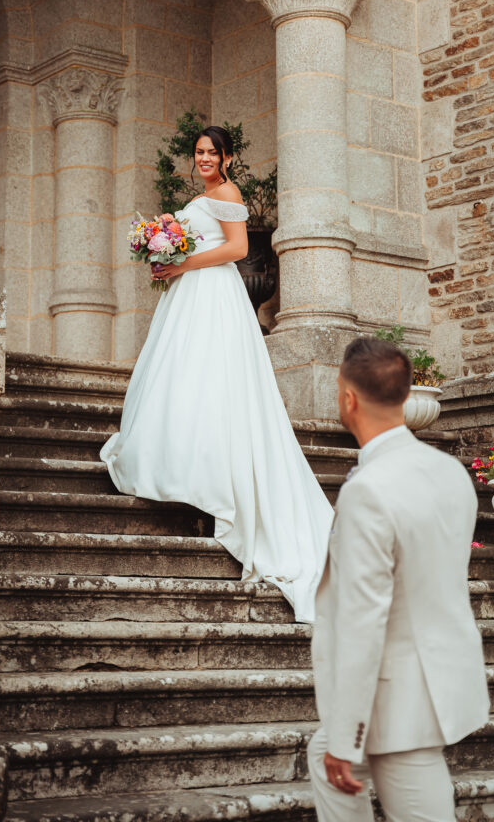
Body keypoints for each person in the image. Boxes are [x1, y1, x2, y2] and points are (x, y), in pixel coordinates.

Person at [100, 125, 333, 623]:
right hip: (190, 296)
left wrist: (181, 265)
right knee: (183, 381)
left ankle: (217, 487)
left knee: (214, 381)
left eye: (212, 152)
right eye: (199, 152)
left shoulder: (227, 192)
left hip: (215, 295)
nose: (205, 158)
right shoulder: (198, 196)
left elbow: (234, 250)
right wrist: (165, 255)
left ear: (227, 157)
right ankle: (186, 466)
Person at [308, 337, 489, 822]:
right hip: (438, 675)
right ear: (406, 395)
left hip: (400, 697)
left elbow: (364, 618)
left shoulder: (369, 489)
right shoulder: (450, 471)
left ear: (348, 398)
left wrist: (347, 739)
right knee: (321, 753)